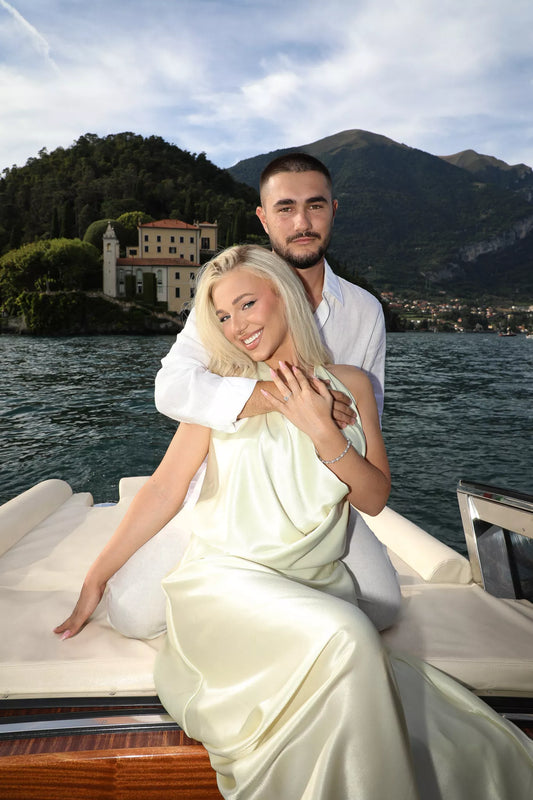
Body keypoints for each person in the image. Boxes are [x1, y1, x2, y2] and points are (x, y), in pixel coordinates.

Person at [55, 245, 533, 800]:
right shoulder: (222, 389)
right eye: (224, 317)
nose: (237, 326)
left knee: (356, 641)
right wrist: (98, 574)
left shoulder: (351, 385)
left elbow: (375, 498)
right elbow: (163, 490)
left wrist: (324, 432)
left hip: (313, 579)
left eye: (248, 304)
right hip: (226, 579)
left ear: (284, 294)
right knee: (348, 633)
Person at [150, 152, 399, 634]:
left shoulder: (365, 311)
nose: (302, 222)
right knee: (135, 613)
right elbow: (172, 387)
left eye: (316, 206)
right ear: (263, 218)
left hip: (322, 501)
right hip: (228, 501)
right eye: (285, 208)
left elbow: (366, 432)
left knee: (383, 609)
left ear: (333, 210)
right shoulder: (230, 300)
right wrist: (284, 396)